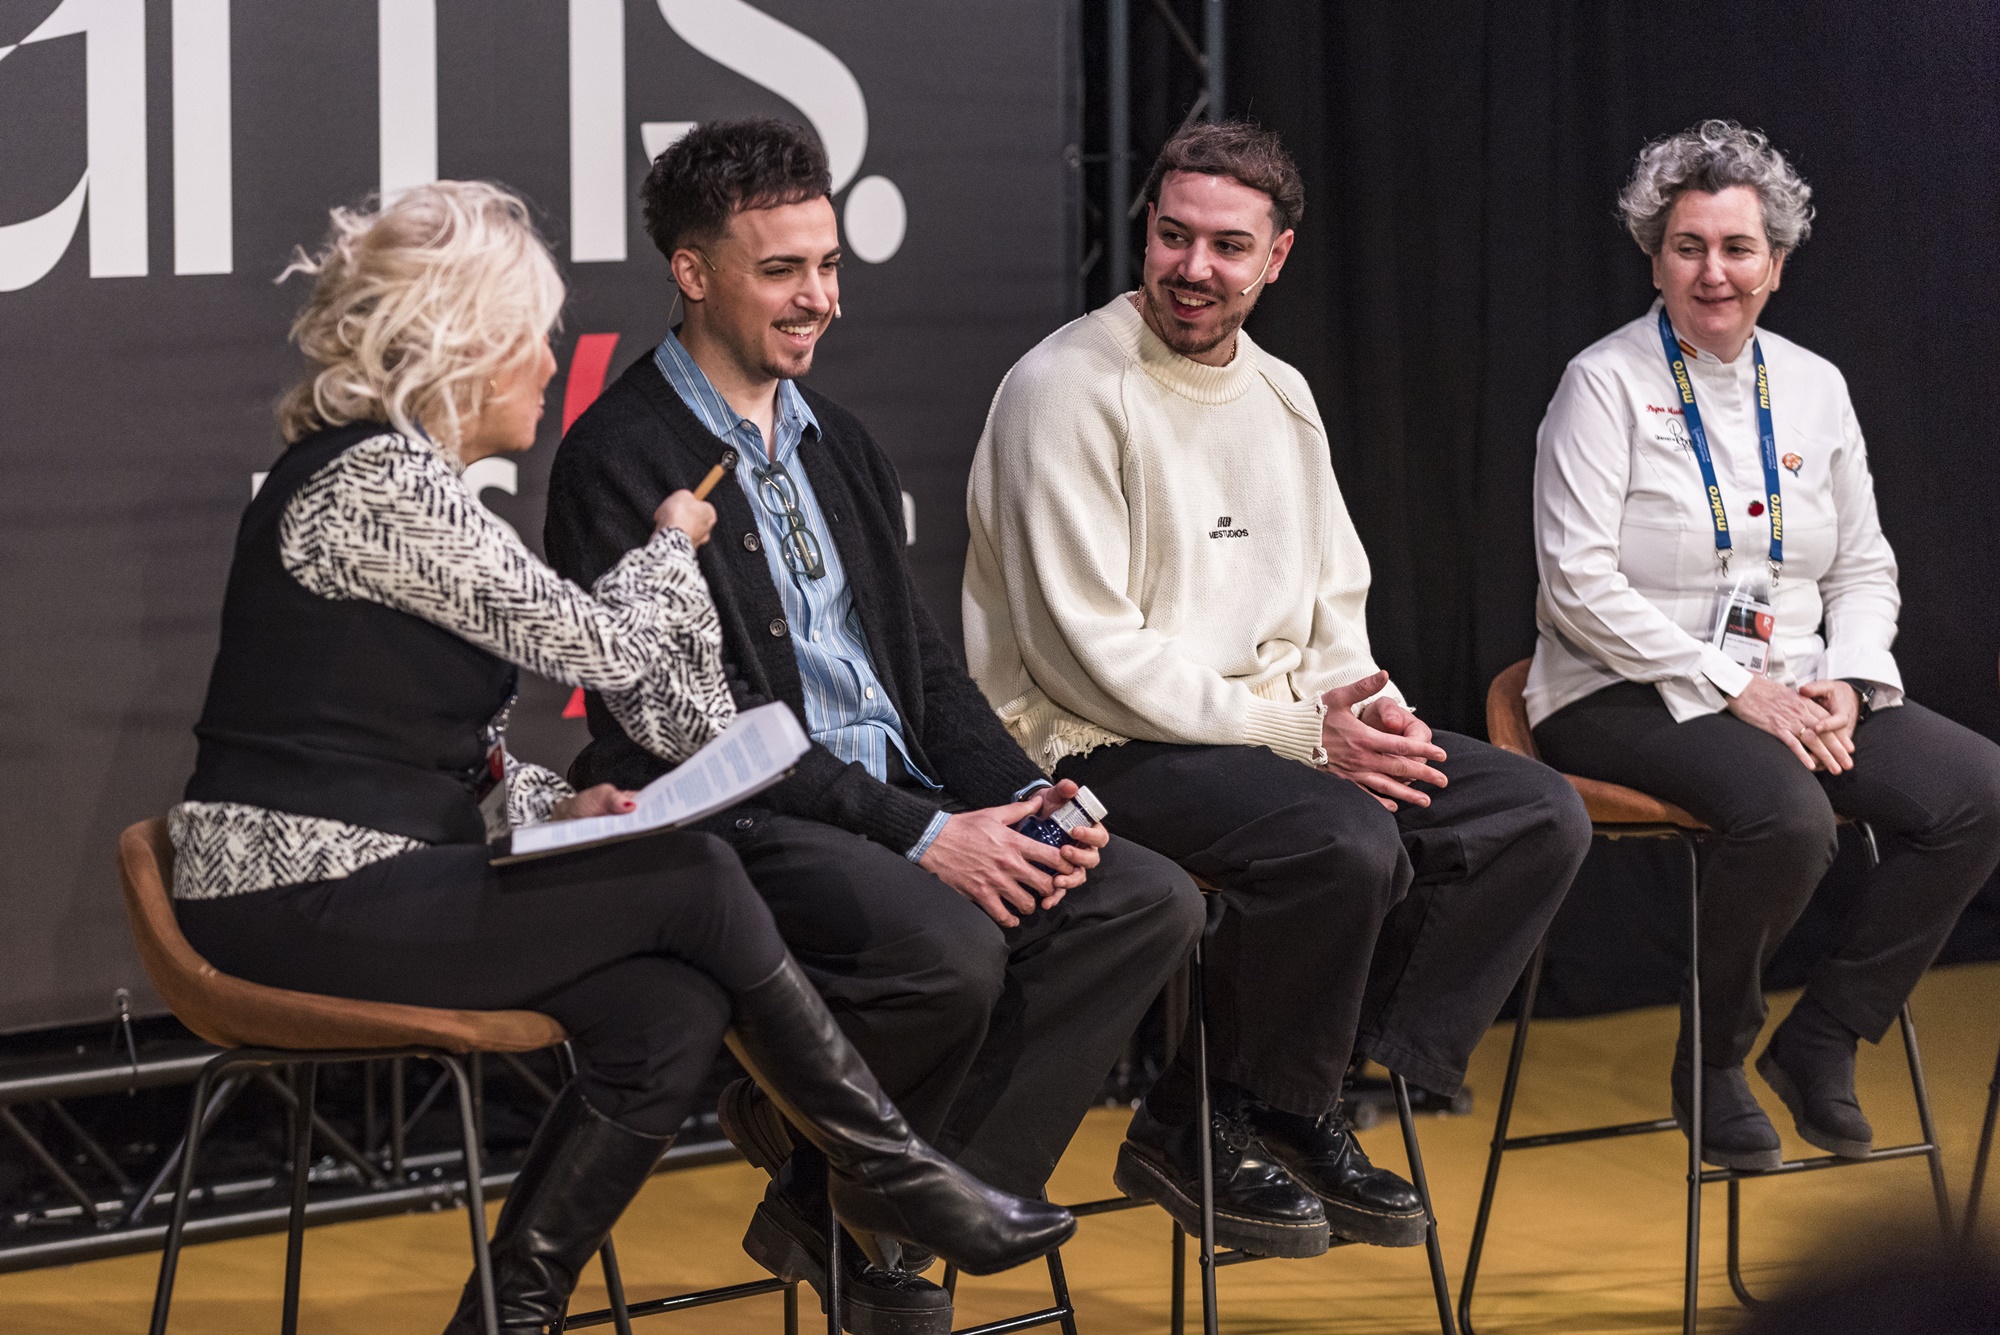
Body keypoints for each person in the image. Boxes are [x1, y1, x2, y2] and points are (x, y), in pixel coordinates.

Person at [169, 181, 1073, 1335]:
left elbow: (441, 753)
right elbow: (603, 645)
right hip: (287, 893)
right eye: (532, 342)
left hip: (367, 877)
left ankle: (511, 1312)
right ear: (463, 348)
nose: (551, 367)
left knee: (661, 1010)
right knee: (693, 878)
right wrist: (670, 543)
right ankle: (896, 1175)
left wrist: (566, 802)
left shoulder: (404, 487)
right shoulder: (375, 485)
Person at [544, 121, 1202, 1332]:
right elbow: (696, 728)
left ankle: (850, 1205)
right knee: (942, 952)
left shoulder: (834, 440)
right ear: (692, 273)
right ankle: (862, 1211)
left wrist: (1032, 806)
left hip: (886, 797)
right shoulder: (616, 452)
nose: (819, 299)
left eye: (829, 265)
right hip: (736, 813)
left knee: (1139, 899)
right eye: (782, 270)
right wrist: (924, 837)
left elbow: (919, 677)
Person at [963, 120, 1590, 1258]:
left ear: (1275, 258)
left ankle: (1285, 1099)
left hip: (1270, 735)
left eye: (1225, 246)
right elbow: (1083, 653)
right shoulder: (1062, 388)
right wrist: (1300, 732)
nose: (1192, 269)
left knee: (1529, 814)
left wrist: (1358, 710)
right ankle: (1213, 1117)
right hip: (1088, 740)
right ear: (1145, 231)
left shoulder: (1282, 395)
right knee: (1344, 844)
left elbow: (1330, 600)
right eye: (1171, 236)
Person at [1527, 119, 2000, 1169]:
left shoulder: (1814, 384)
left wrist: (1851, 677)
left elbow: (1861, 566)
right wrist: (1730, 684)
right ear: (1654, 256)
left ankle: (1823, 1036)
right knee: (1788, 820)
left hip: (1792, 683)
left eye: (1736, 248)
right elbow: (1574, 583)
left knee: (1978, 793)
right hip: (1619, 686)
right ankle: (1712, 1059)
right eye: (1687, 246)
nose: (1712, 271)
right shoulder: (1600, 383)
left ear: (1774, 265)